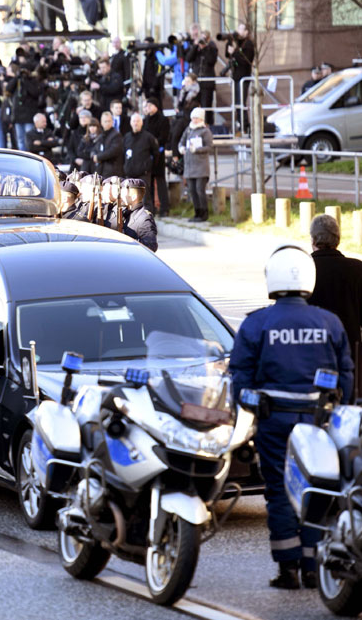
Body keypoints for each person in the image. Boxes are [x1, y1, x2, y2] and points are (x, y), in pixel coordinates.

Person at [229, 245, 354, 590]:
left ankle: (288, 569)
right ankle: (314, 565)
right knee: (318, 488)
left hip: (274, 423)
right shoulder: (329, 321)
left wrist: (247, 408)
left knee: (280, 491)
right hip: (318, 421)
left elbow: (240, 376)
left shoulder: (258, 322)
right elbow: (346, 375)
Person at [307, 214, 362, 401]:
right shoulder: (357, 270)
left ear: (313, 240)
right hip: (351, 358)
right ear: (338, 239)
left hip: (310, 357)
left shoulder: (304, 268)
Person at [178, 107, 213, 222]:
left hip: (201, 167)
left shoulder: (205, 131)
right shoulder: (188, 129)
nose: (194, 120)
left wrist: (197, 150)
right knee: (192, 190)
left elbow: (209, 147)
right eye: (193, 117)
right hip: (189, 166)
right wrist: (181, 148)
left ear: (201, 118)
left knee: (199, 189)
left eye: (197, 118)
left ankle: (204, 213)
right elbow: (181, 141)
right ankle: (197, 212)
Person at [142, 98, 170, 216]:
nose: (147, 108)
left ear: (155, 106)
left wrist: (153, 145)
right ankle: (151, 207)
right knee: (149, 182)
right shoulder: (146, 120)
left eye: (149, 105)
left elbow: (164, 137)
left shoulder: (163, 120)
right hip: (148, 155)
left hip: (158, 153)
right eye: (146, 106)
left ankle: (164, 208)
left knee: (160, 181)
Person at [123, 114, 158, 201]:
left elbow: (156, 153)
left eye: (138, 121)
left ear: (141, 123)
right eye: (134, 121)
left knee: (145, 199)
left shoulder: (148, 137)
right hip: (129, 173)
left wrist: (149, 166)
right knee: (130, 199)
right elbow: (123, 153)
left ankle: (148, 214)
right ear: (131, 123)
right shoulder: (126, 137)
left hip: (143, 173)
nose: (136, 123)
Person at [185, 30, 218, 125]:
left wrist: (205, 48)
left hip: (207, 83)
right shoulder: (195, 48)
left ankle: (207, 125)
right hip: (196, 83)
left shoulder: (212, 48)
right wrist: (196, 46)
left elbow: (211, 61)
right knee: (194, 106)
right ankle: (194, 124)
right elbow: (188, 58)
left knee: (206, 106)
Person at [227, 23, 255, 132]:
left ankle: (245, 126)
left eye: (241, 28)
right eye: (238, 28)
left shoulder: (248, 44)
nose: (238, 30)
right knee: (236, 103)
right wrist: (230, 41)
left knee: (241, 102)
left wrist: (234, 52)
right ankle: (240, 124)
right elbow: (227, 54)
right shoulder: (238, 43)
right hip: (235, 76)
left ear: (246, 31)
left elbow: (245, 61)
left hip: (243, 76)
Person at [119, 178, 158, 251]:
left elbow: (151, 245)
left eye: (123, 194)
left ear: (133, 197)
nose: (121, 197)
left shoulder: (144, 219)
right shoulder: (126, 213)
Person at [92, 111, 124, 177]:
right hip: (101, 170)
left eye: (109, 121)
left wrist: (98, 157)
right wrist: (93, 155)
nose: (107, 123)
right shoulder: (101, 136)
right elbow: (95, 149)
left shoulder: (117, 135)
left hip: (113, 171)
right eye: (105, 121)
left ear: (112, 122)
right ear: (101, 122)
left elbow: (113, 151)